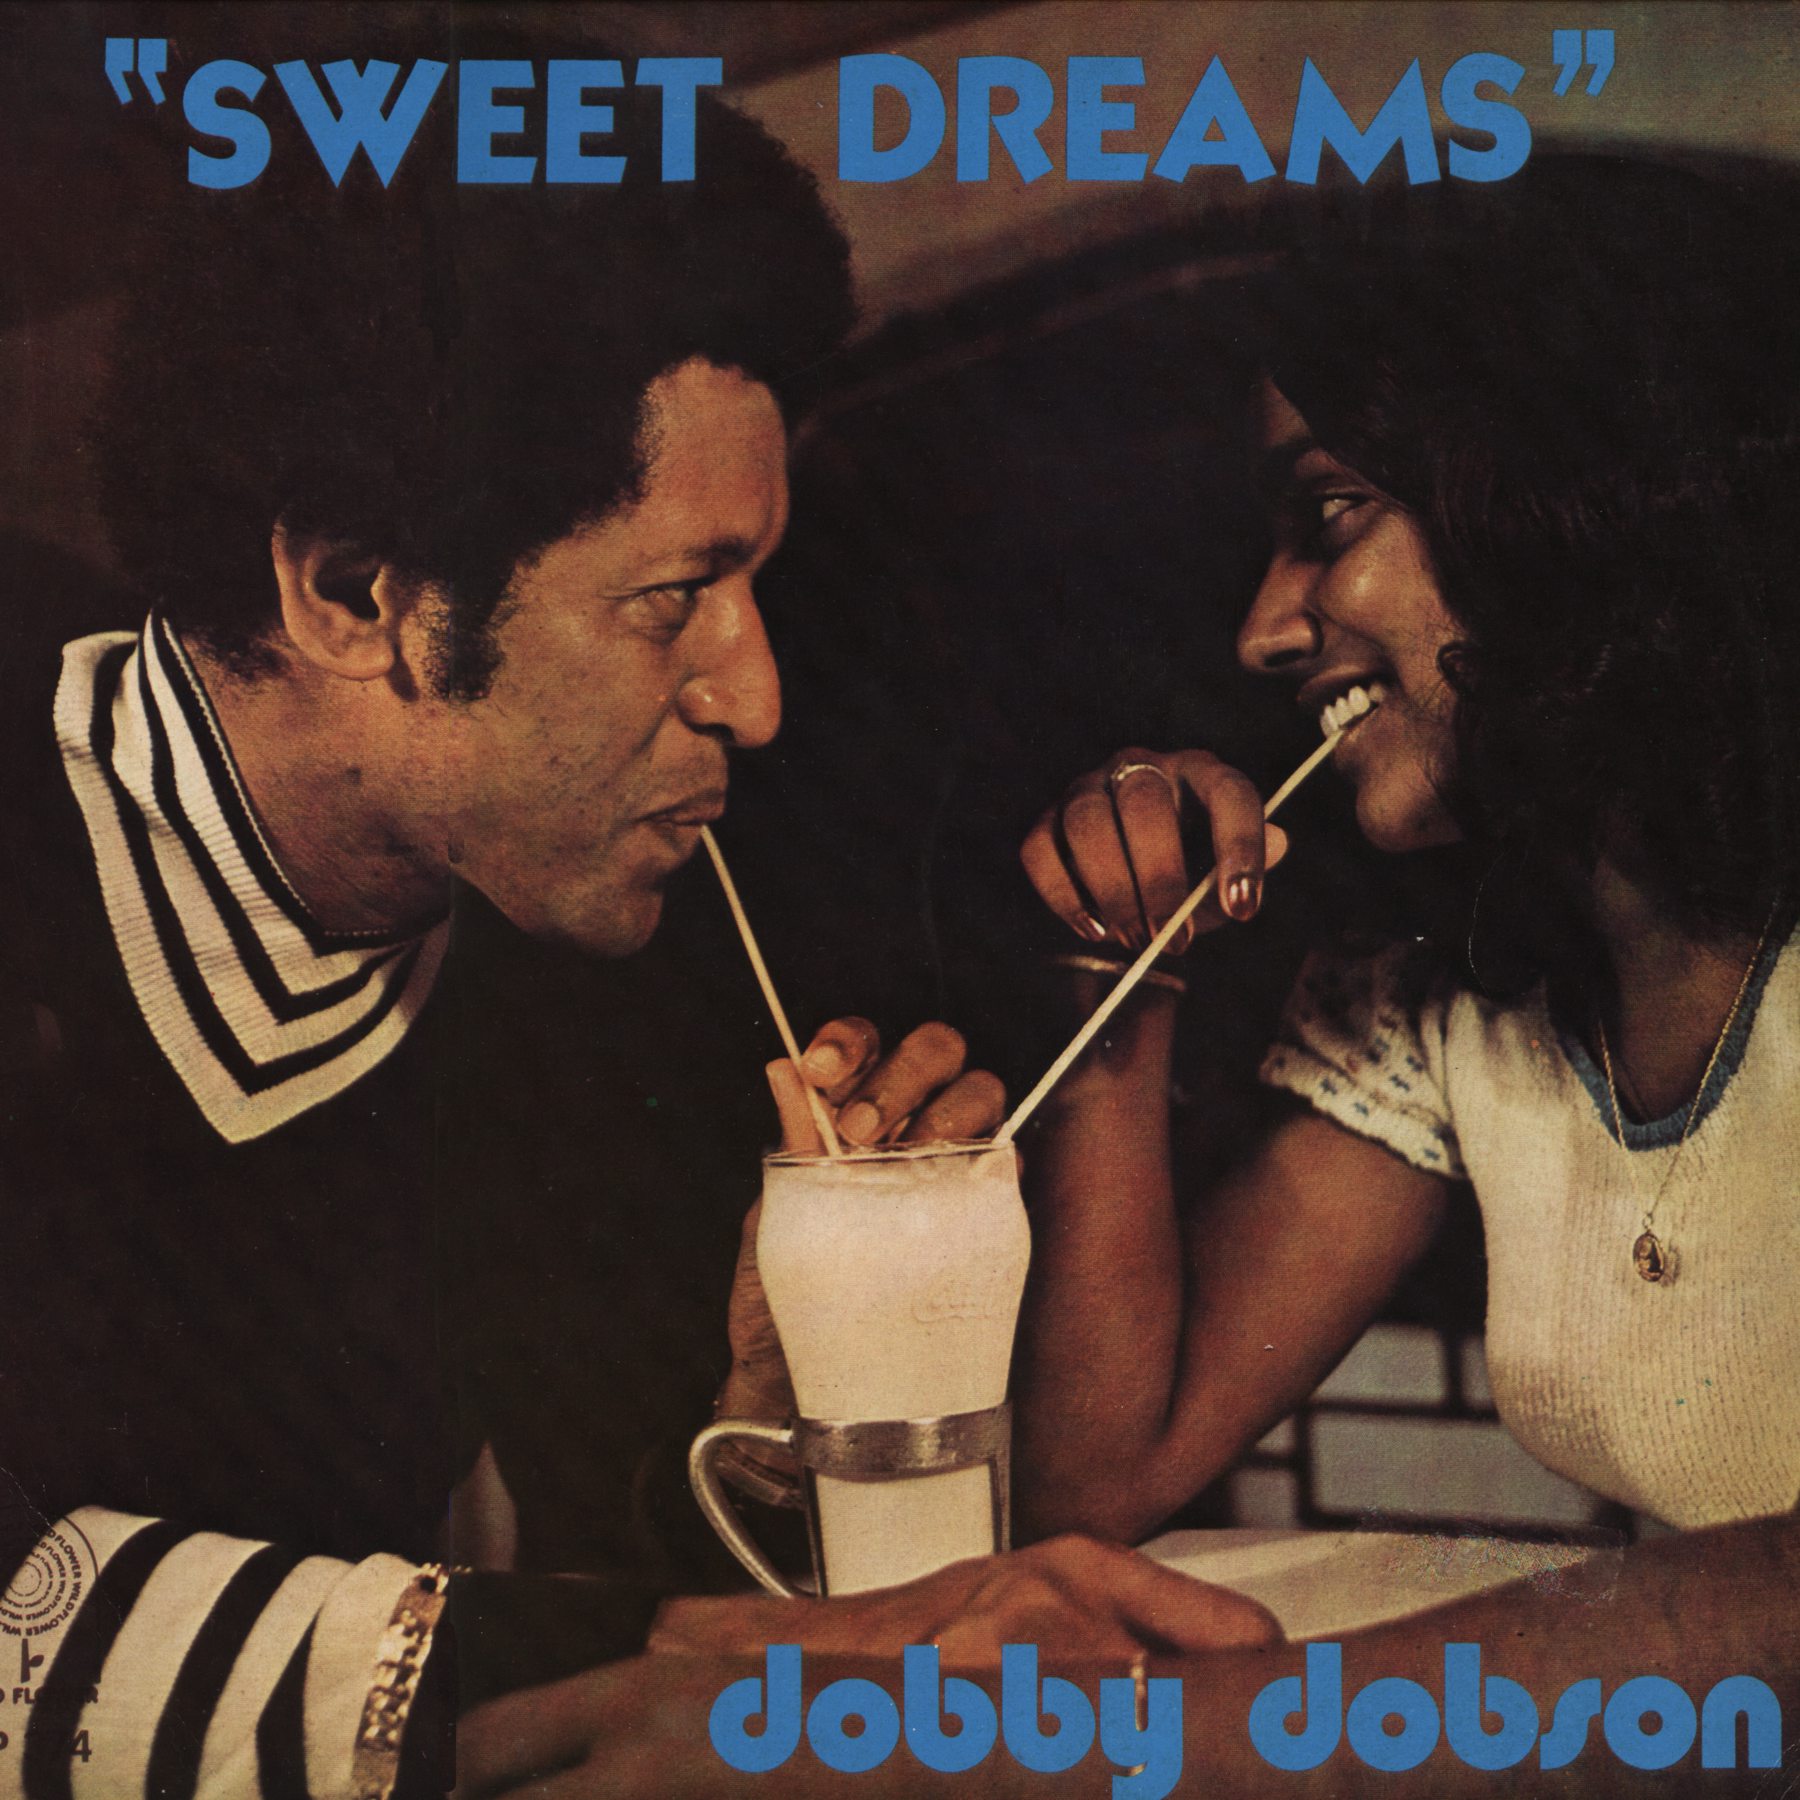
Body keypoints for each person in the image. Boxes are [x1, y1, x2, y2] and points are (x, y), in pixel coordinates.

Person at [0, 45, 1180, 1800]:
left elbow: (500, 1579)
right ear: (357, 595)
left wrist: (755, 1415)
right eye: (672, 598)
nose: (753, 700)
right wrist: (709, 1653)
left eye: (755, 586)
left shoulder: (561, 934)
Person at [592, 157, 1799, 1796]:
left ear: (1570, 496)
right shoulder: (1451, 1010)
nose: (1264, 628)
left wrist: (1145, 1744)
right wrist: (1127, 976)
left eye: (1328, 519)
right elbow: (1108, 1475)